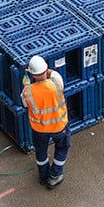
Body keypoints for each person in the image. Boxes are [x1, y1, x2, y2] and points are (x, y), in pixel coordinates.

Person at [21, 55, 71, 189]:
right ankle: (55, 175)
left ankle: (43, 176)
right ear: (46, 69)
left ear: (31, 74)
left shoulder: (28, 91)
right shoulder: (57, 82)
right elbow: (53, 74)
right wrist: (46, 71)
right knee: (61, 148)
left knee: (41, 151)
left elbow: (25, 104)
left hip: (40, 130)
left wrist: (26, 84)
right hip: (59, 127)